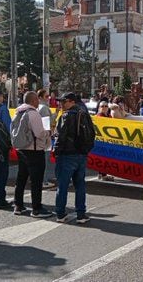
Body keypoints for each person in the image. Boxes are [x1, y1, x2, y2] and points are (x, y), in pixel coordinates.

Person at [11, 91, 52, 218]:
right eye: (37, 100)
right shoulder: (33, 113)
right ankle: (36, 209)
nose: (38, 102)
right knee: (36, 180)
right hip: (34, 150)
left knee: (21, 178)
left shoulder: (18, 112)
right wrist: (48, 132)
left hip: (21, 149)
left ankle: (18, 205)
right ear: (33, 100)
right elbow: (39, 133)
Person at [53, 92, 92, 224]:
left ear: (72, 102)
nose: (61, 104)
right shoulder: (85, 115)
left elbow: (60, 136)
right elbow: (92, 135)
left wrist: (56, 151)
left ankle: (60, 213)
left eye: (64, 101)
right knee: (80, 185)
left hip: (67, 155)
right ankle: (81, 214)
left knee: (62, 185)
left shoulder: (66, 116)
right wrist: (85, 151)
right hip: (81, 155)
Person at [37, 89, 56, 187]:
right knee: (44, 161)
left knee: (40, 161)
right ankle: (43, 181)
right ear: (40, 97)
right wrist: (56, 114)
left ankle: (39, 180)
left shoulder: (38, 107)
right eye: (46, 96)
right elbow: (47, 123)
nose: (48, 98)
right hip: (45, 138)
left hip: (39, 138)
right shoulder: (43, 108)